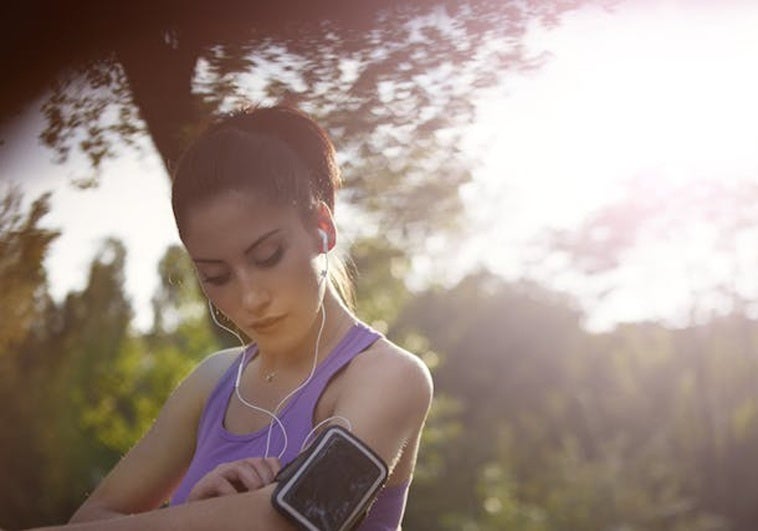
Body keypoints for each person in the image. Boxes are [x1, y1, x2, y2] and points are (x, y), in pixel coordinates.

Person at [31, 105, 432, 530]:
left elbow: (304, 516)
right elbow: (90, 519)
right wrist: (200, 509)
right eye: (215, 276)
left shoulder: (390, 376)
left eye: (267, 256)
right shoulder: (212, 382)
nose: (249, 298)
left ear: (323, 228)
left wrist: (200, 516)